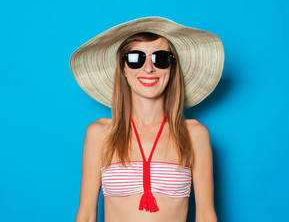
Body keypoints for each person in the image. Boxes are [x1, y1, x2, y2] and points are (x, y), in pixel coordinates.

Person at [70, 17, 224, 222]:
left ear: (171, 68)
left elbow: (206, 215)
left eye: (160, 58)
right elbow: (86, 215)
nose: (149, 68)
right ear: (123, 68)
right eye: (136, 58)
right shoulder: (99, 133)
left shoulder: (194, 134)